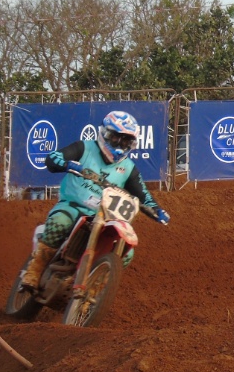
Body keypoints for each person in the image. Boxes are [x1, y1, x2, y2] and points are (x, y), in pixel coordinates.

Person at [21, 110, 170, 289]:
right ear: (105, 133)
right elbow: (54, 158)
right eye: (116, 138)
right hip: (72, 206)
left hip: (102, 217)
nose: (120, 144)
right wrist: (66, 164)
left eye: (125, 141)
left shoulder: (129, 168)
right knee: (60, 221)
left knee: (126, 253)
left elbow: (143, 195)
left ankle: (95, 289)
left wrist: (157, 210)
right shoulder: (84, 147)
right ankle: (34, 271)